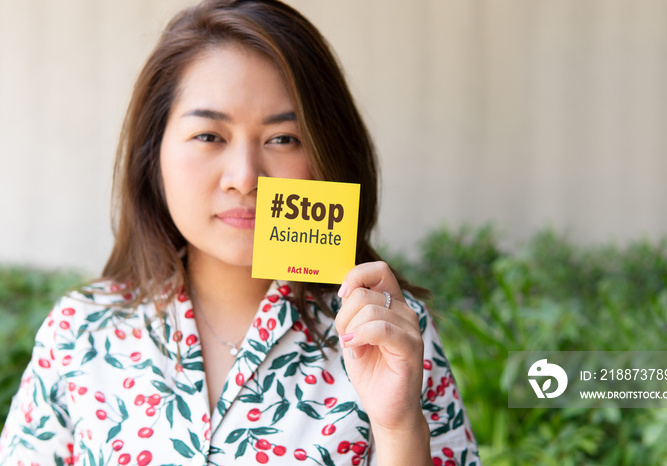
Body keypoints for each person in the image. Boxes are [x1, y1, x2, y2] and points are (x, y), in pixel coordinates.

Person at [0, 0, 480, 464]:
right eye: (209, 136)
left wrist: (399, 427)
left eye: (283, 139)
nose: (245, 177)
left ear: (327, 155)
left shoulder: (390, 333)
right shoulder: (81, 332)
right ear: (155, 156)